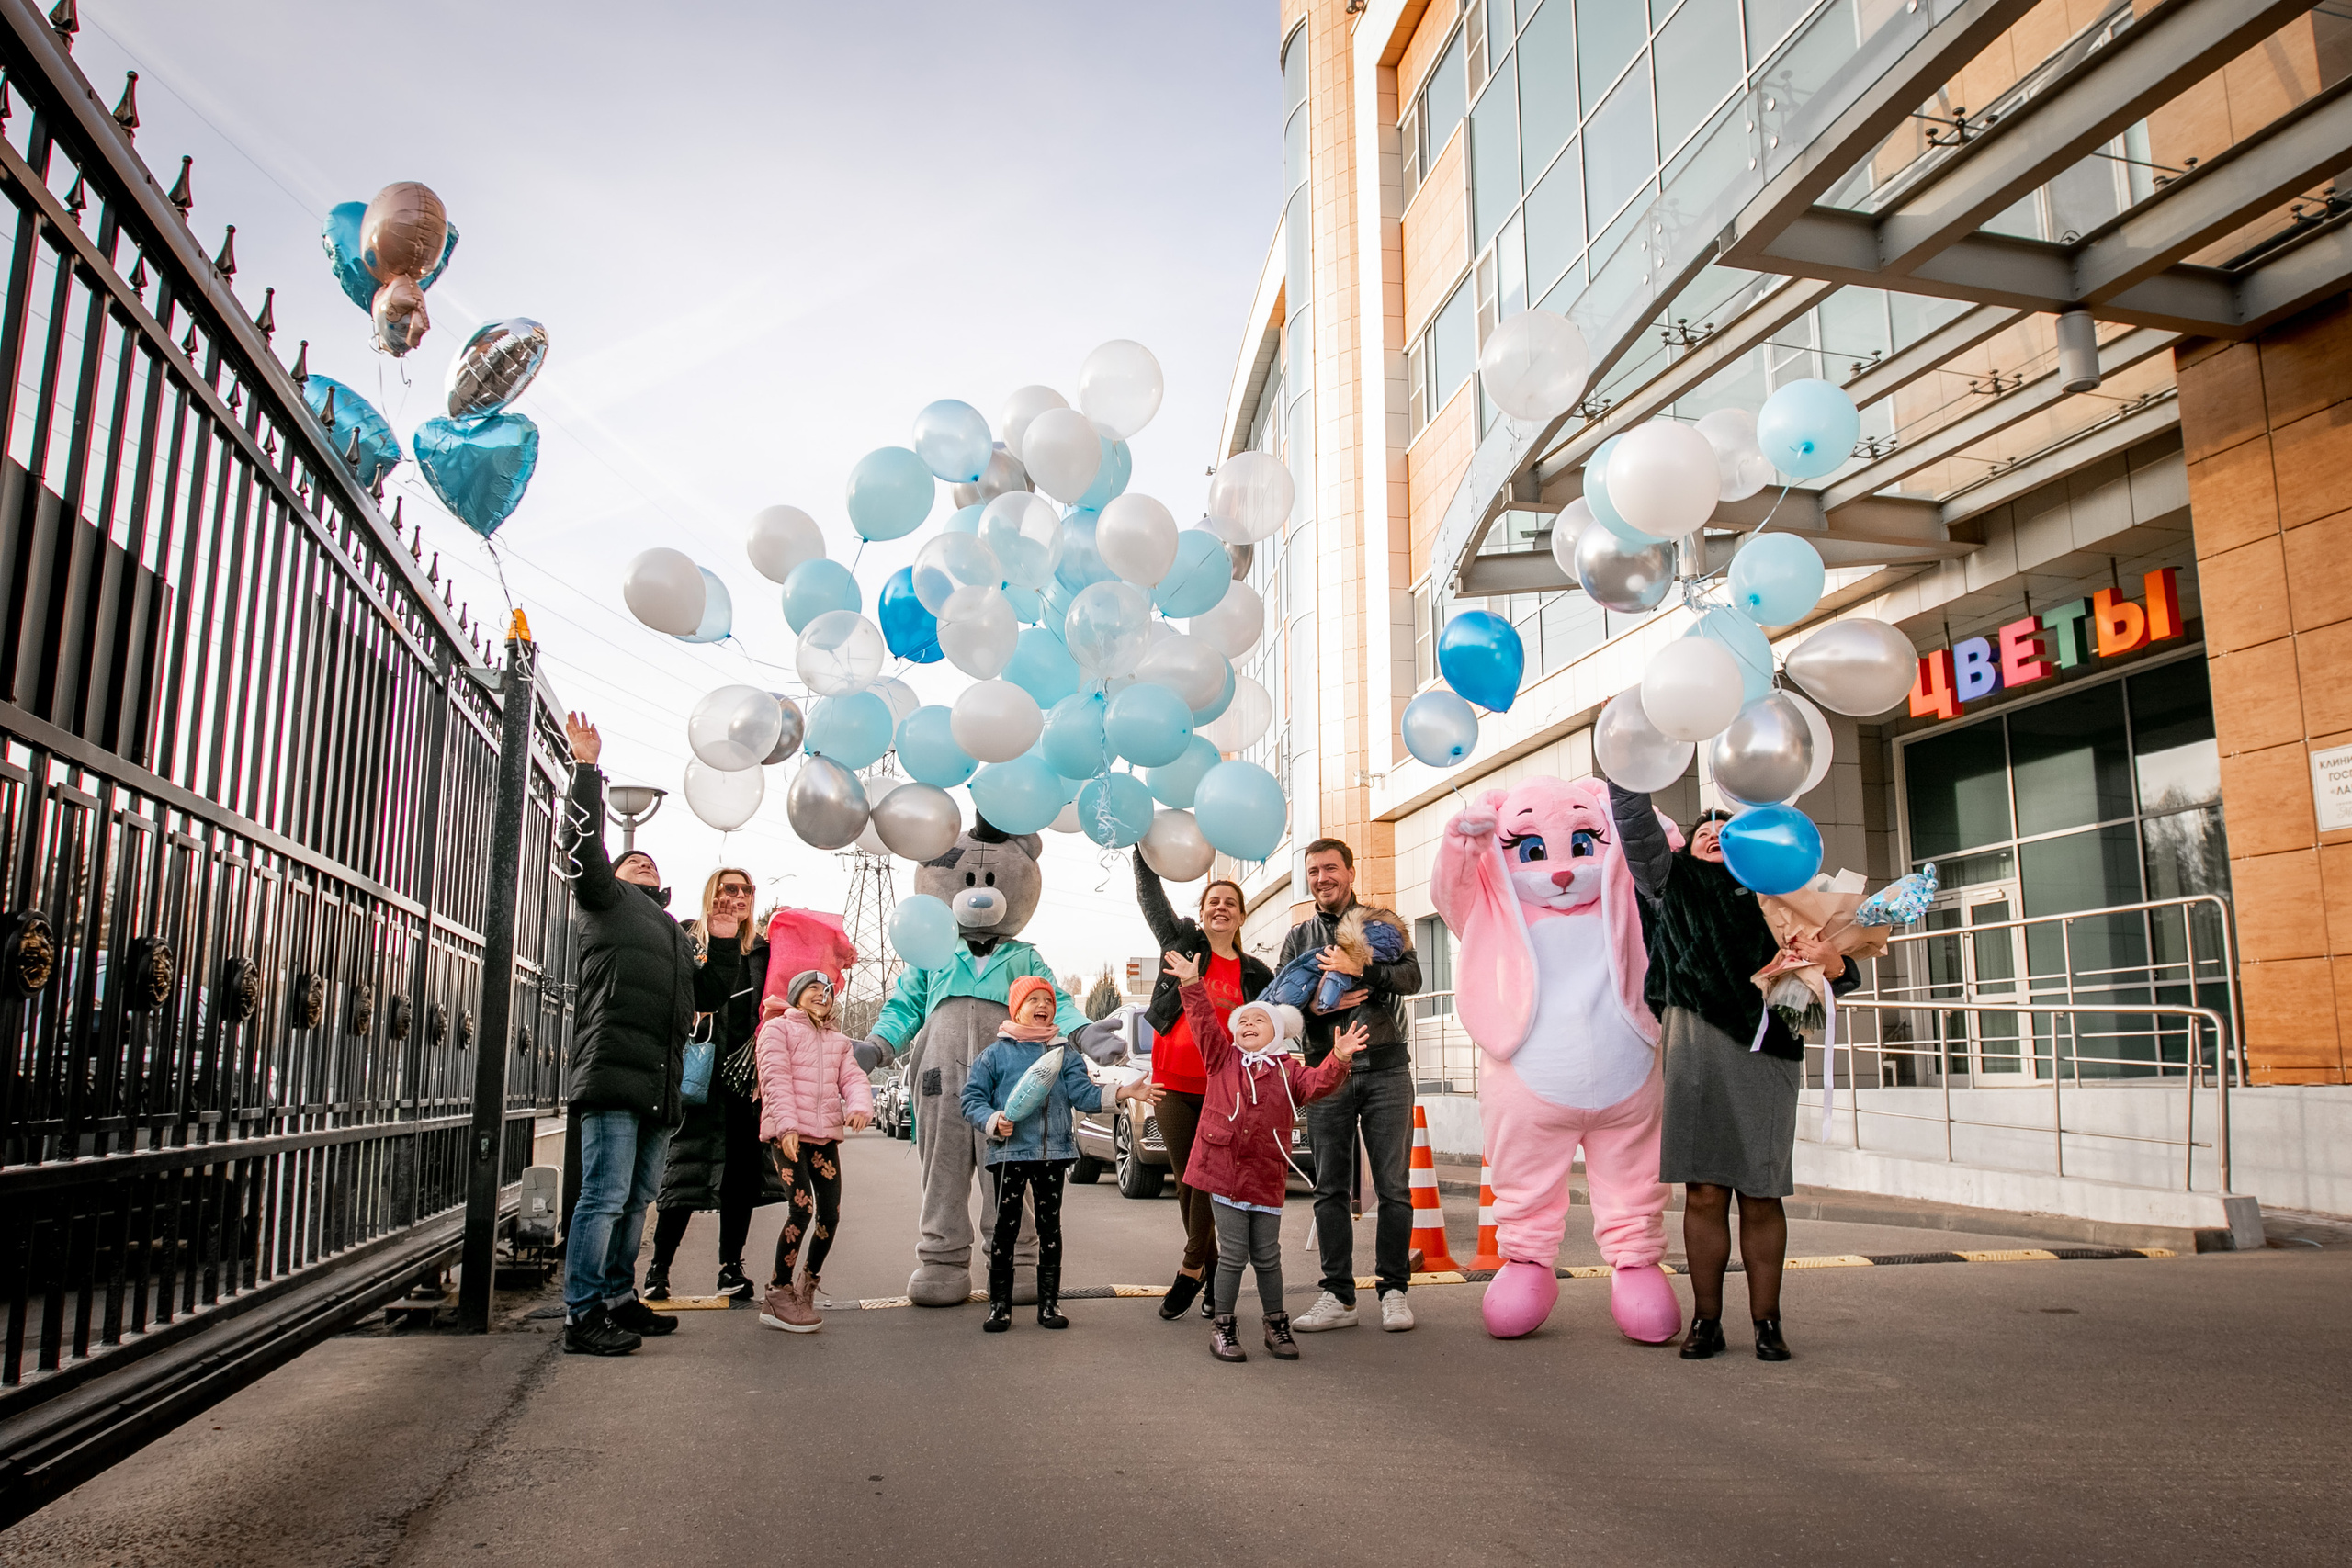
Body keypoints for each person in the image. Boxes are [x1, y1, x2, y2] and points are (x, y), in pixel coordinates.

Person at [1610, 794, 1859, 1363]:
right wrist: (1627, 771)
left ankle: (1768, 1323)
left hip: (1770, 1048)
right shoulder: (1671, 881)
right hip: (1694, 1042)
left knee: (1762, 1191)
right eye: (1705, 832)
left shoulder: (1782, 890)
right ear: (1688, 847)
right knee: (1703, 1190)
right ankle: (1707, 1321)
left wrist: (1835, 962)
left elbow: (1834, 977)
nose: (1716, 835)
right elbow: (1637, 829)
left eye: (1728, 831)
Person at [559, 713, 696, 1357]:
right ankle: (581, 1312)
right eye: (630, 858)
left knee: (638, 1197)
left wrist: (727, 939)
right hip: (614, 1072)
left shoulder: (671, 933)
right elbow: (582, 850)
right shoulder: (606, 901)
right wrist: (586, 770)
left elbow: (706, 996)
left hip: (659, 1084)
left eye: (649, 861)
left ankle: (617, 1296)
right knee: (604, 1195)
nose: (641, 860)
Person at [1165, 951, 1367, 1363]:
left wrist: (1340, 1058)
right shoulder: (1222, 1059)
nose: (1249, 1025)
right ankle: (1223, 1326)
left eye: (1259, 1020)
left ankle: (1275, 1324)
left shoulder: (1287, 1070)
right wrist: (1190, 983)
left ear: (1277, 1032)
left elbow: (1319, 1084)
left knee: (1268, 1256)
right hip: (1224, 1175)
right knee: (1233, 1255)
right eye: (1243, 1021)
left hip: (1266, 1176)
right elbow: (1203, 1022)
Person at [1279, 838, 1424, 1334]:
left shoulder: (1382, 923)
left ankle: (1394, 1291)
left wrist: (1363, 968)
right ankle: (1338, 1296)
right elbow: (1280, 1007)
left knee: (1394, 1188)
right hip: (1326, 1072)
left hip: (1386, 1069)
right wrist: (1316, 1006)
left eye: (1330, 868)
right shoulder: (1298, 936)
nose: (1322, 878)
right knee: (1329, 1189)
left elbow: (1412, 979)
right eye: (1313, 871)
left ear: (1350, 872)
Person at [959, 976, 1160, 1332]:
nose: (1043, 1006)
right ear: (1016, 1008)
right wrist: (993, 1120)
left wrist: (1122, 1092)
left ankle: (1049, 1304)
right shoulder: (994, 1055)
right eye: (1033, 1000)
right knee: (1005, 1230)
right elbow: (971, 1100)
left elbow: (1084, 1094)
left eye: (1049, 1001)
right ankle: (999, 1306)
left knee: (1050, 1229)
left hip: (1053, 1153)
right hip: (1009, 1154)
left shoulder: (1065, 1055)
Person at [1131, 852, 1272, 1323]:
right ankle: (1213, 1277)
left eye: (1230, 902)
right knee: (1188, 1183)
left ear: (1242, 915)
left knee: (1209, 1183)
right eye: (1214, 901)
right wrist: (1142, 848)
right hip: (1171, 1085)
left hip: (1224, 1091)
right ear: (1203, 910)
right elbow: (1151, 899)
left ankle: (1191, 1268)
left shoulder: (1256, 974)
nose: (1221, 908)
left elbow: (1275, 1025)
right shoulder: (1182, 946)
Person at [643, 868, 792, 1304]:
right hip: (699, 1074)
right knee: (685, 1171)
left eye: (747, 889)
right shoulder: (689, 939)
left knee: (740, 1179)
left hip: (747, 1079)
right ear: (713, 893)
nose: (739, 896)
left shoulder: (765, 951)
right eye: (730, 888)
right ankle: (658, 1269)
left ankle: (730, 1267)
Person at [752, 972, 873, 1332]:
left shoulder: (838, 1041)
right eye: (813, 989)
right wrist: (787, 1127)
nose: (822, 995)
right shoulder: (777, 1030)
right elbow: (775, 1079)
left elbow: (852, 1078)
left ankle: (807, 1286)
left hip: (823, 1137)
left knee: (830, 1215)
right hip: (787, 1133)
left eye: (828, 991)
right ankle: (778, 1291)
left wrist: (860, 1105)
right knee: (801, 1209)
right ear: (796, 996)